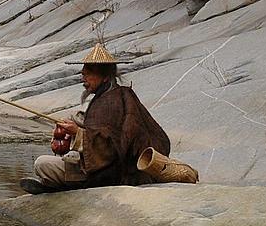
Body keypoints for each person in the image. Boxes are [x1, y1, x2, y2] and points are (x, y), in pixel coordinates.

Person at [20, 43, 170, 194]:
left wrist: (78, 134)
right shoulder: (107, 97)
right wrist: (73, 133)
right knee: (55, 162)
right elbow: (101, 132)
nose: (83, 79)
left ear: (105, 77)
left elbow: (111, 145)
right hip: (103, 167)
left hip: (111, 173)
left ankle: (60, 186)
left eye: (87, 74)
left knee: (42, 164)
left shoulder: (113, 101)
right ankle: (57, 184)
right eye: (83, 74)